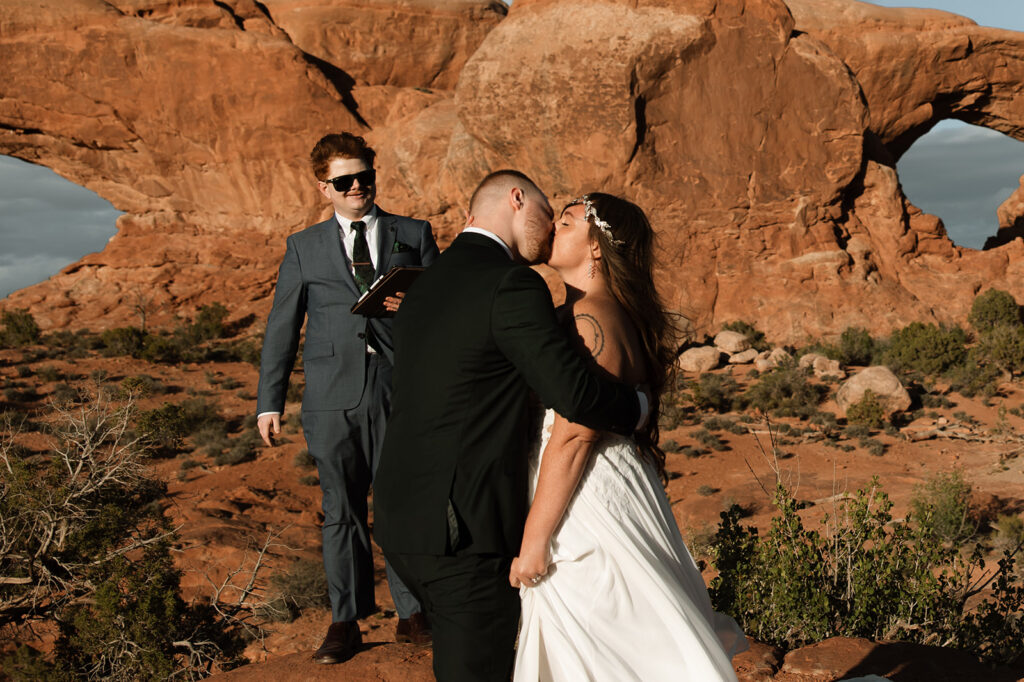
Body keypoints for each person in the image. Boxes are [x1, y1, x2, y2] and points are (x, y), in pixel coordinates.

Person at [372, 171, 650, 682]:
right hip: (464, 531)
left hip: (400, 523)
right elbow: (576, 400)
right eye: (550, 214)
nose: (548, 231)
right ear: (518, 200)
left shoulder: (425, 282)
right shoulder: (510, 283)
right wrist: (637, 409)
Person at [509, 194, 748, 681]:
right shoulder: (586, 312)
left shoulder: (591, 318)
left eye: (568, 222)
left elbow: (576, 437)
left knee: (605, 632)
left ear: (596, 248)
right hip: (602, 485)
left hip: (585, 498)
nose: (553, 226)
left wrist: (535, 541)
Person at [255, 132, 439, 664]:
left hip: (401, 390)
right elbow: (281, 327)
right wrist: (271, 400)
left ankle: (413, 613)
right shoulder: (303, 247)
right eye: (344, 181)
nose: (357, 186)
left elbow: (447, 305)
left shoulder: (413, 232)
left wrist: (418, 304)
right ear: (324, 188)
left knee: (401, 500)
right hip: (331, 398)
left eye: (365, 177)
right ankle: (346, 620)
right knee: (341, 509)